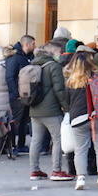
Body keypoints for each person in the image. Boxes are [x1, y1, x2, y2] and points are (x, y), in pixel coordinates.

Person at [68, 54, 98, 190]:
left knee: (80, 150)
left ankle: (80, 179)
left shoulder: (71, 82)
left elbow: (66, 101)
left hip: (77, 118)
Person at [27, 42, 69, 181]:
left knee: (36, 140)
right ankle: (57, 170)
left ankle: (34, 170)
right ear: (52, 53)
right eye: (58, 52)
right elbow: (59, 89)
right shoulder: (54, 66)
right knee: (57, 139)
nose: (59, 55)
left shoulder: (32, 65)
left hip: (34, 109)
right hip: (51, 110)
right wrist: (66, 107)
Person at [4, 34, 35, 153]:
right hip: (17, 97)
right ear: (26, 44)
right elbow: (10, 77)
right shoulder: (15, 57)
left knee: (23, 121)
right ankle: (12, 146)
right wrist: (16, 94)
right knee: (16, 121)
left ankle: (21, 145)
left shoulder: (28, 57)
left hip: (26, 96)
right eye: (33, 44)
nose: (34, 46)